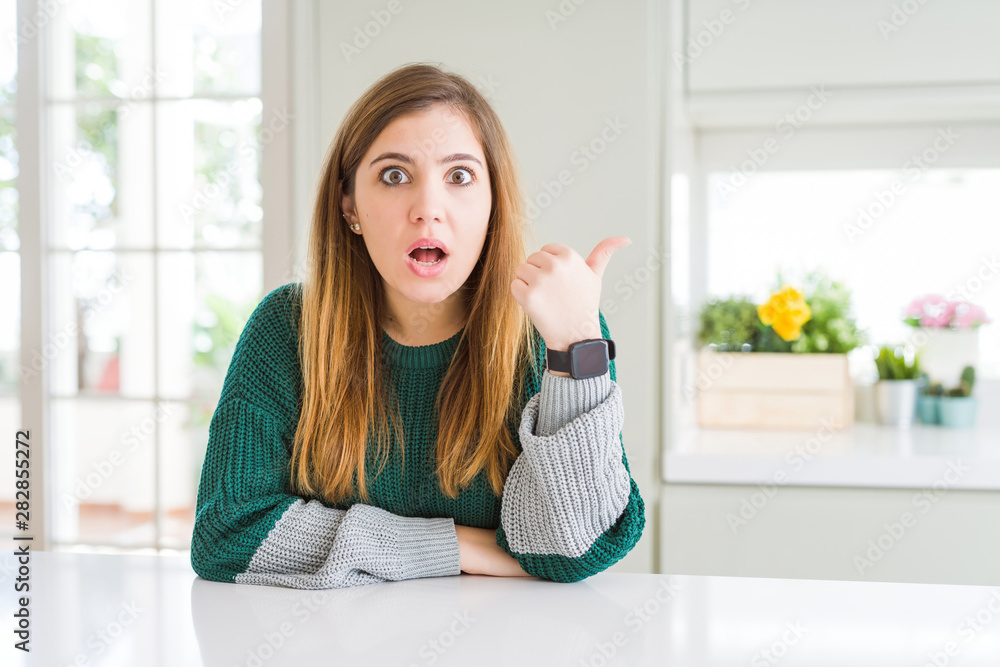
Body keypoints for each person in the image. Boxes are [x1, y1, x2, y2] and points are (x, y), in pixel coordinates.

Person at [190, 62, 644, 589]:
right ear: (349, 205)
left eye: (460, 176)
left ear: (493, 202)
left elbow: (577, 547)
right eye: (394, 175)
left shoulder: (555, 333)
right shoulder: (286, 329)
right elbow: (228, 535)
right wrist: (459, 546)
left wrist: (577, 347)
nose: (428, 209)